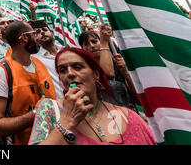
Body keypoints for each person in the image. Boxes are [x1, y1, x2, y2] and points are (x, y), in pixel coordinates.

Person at [28, 47, 156, 145]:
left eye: (77, 67)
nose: (70, 74)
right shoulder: (49, 109)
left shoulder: (127, 116)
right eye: (62, 70)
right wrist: (67, 121)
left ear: (96, 75)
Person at [0, 21, 56, 145]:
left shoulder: (39, 63)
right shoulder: (2, 73)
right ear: (24, 37)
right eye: (34, 33)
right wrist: (35, 114)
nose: (37, 37)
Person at [78, 24, 138, 109]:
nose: (91, 46)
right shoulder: (85, 72)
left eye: (94, 41)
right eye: (86, 44)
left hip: (129, 114)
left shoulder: (119, 63)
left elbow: (138, 99)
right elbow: (108, 73)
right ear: (82, 49)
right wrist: (104, 41)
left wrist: (126, 73)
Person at [31, 20, 64, 99]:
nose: (42, 32)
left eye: (45, 30)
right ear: (34, 39)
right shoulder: (34, 60)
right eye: (37, 32)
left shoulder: (66, 51)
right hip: (57, 104)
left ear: (52, 34)